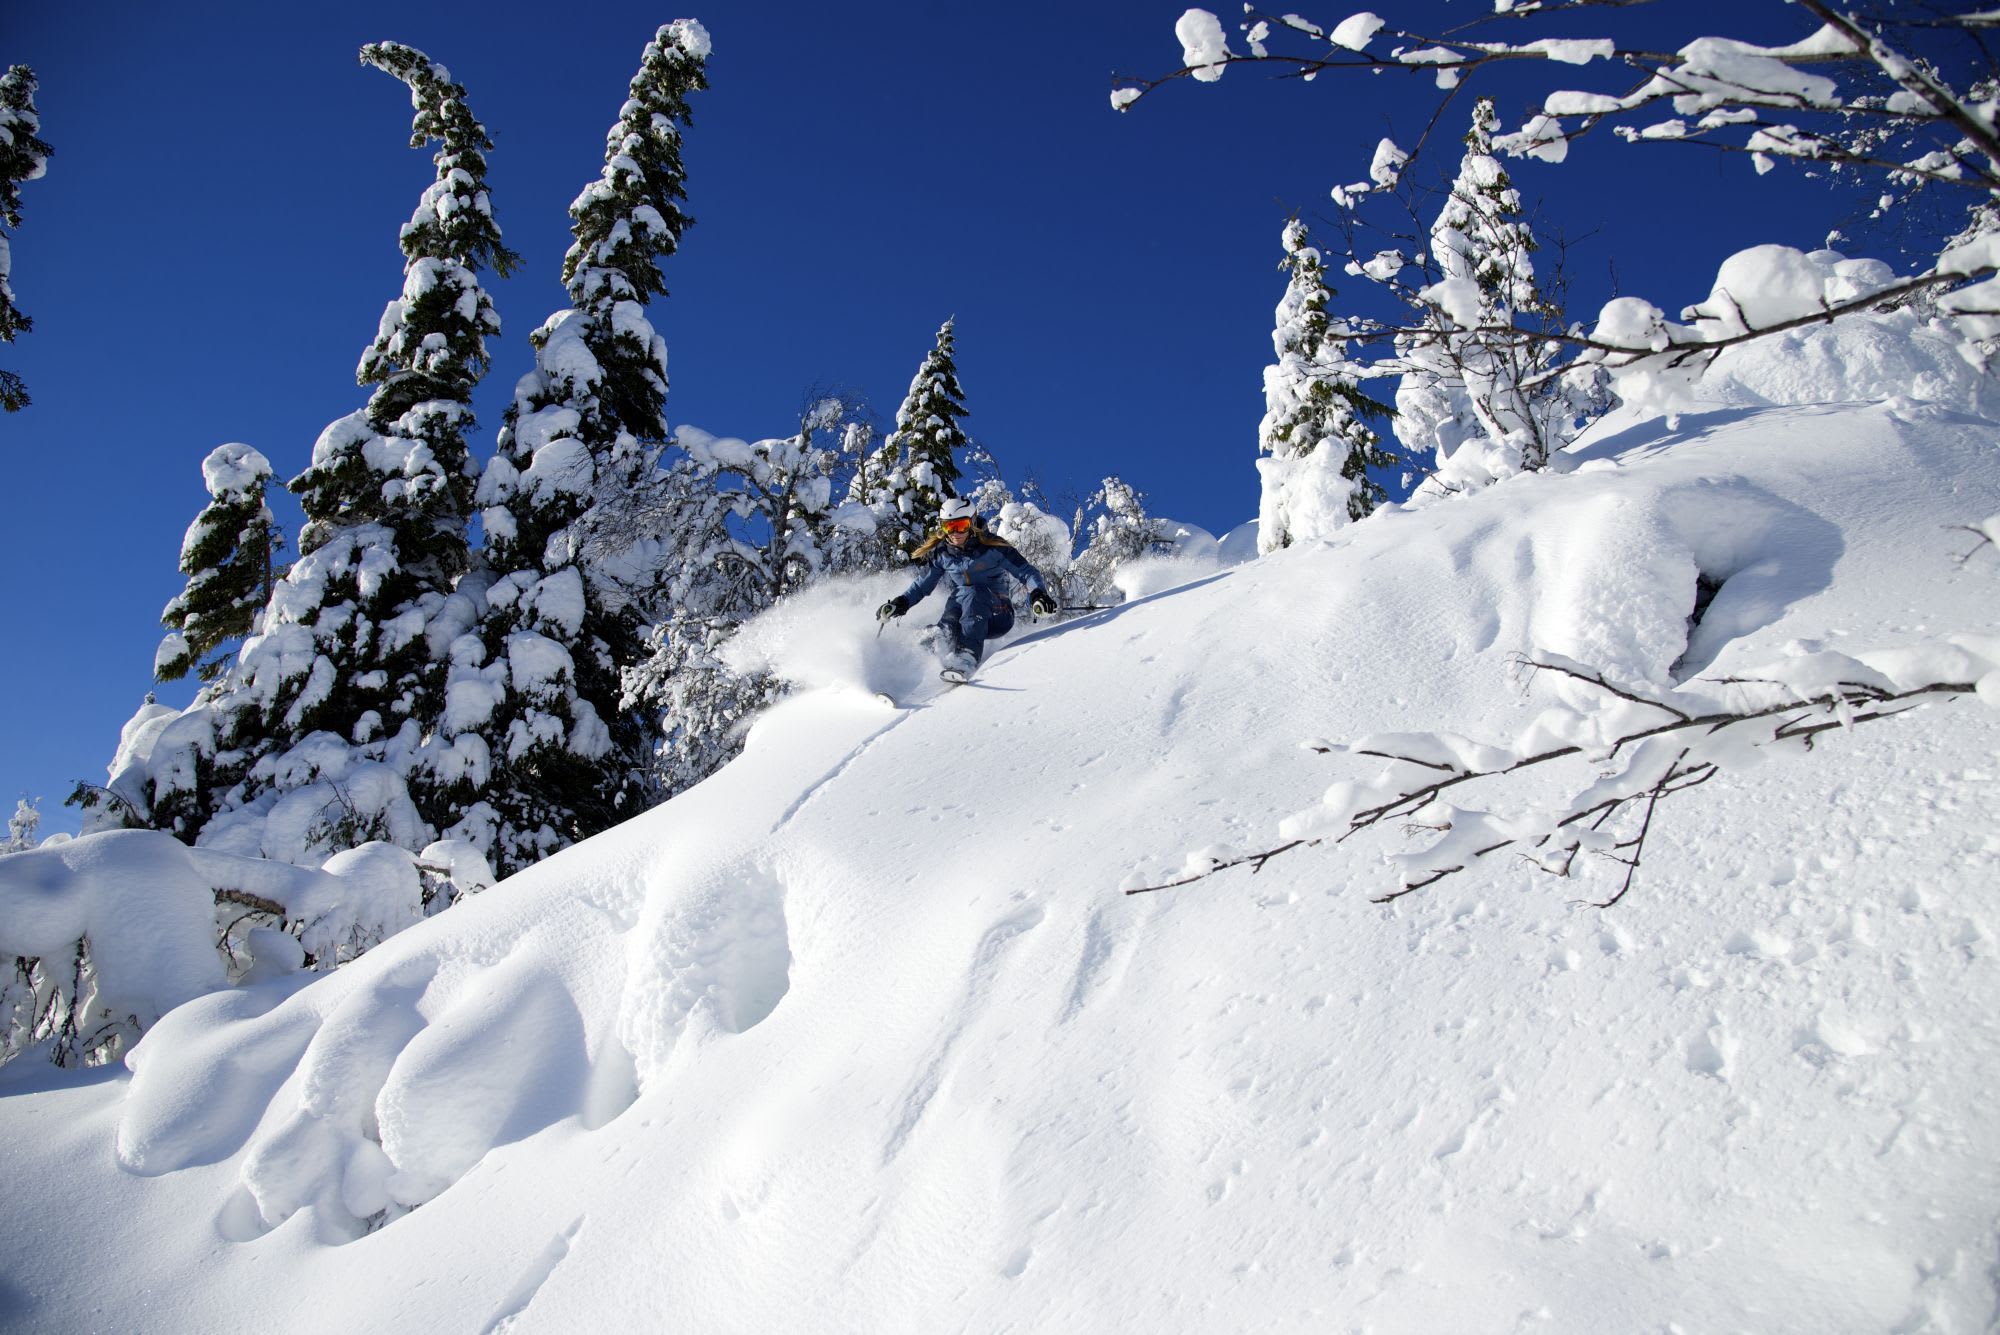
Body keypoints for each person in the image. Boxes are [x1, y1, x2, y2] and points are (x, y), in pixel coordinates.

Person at [877, 497, 1058, 680]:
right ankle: (916, 661)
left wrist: (1037, 593)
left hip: (999, 616)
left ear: (972, 523)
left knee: (972, 592)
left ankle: (966, 656)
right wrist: (902, 603)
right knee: (955, 605)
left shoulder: (993, 547)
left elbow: (1026, 571)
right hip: (964, 613)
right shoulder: (943, 554)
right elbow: (922, 585)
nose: (955, 533)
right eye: (949, 527)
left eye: (961, 525)